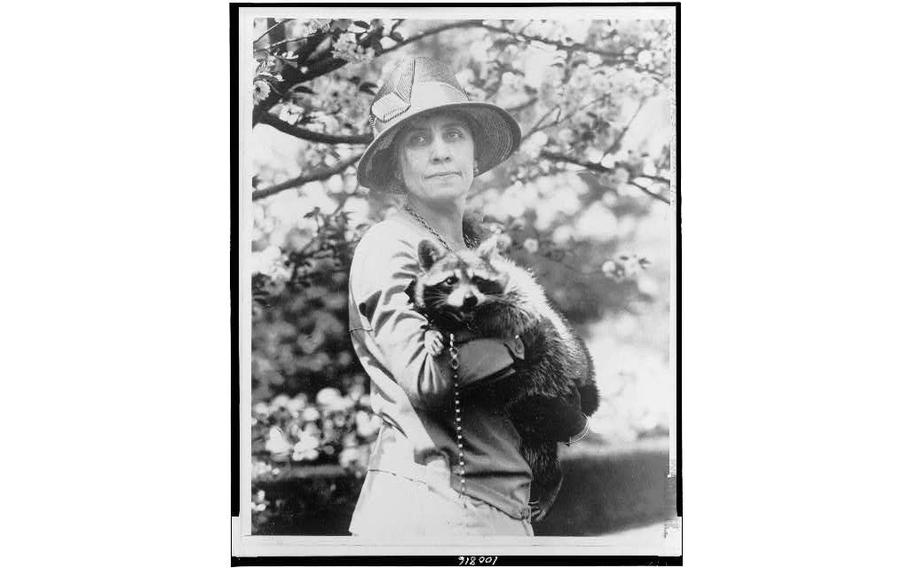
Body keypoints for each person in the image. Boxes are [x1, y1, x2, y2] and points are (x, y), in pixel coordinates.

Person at [347, 57, 588, 537]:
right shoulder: (390, 244)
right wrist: (520, 348)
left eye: (453, 134)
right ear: (397, 167)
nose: (440, 152)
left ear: (475, 156)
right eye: (418, 140)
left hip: (499, 510)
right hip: (435, 510)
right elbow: (427, 377)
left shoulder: (474, 253)